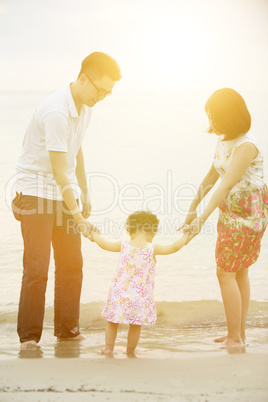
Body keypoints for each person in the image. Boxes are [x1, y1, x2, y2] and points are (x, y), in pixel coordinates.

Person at [12, 52, 121, 349]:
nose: (102, 96)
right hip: (35, 192)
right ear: (83, 78)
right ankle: (30, 338)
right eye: (100, 90)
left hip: (61, 190)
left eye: (108, 93)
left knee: (72, 263)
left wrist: (84, 190)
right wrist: (80, 217)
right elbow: (60, 173)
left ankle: (67, 330)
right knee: (37, 267)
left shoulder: (85, 106)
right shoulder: (56, 112)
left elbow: (76, 149)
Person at [180, 88, 268, 349]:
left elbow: (225, 185)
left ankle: (235, 338)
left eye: (214, 116)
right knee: (238, 271)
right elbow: (211, 177)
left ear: (228, 116)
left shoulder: (247, 146)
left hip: (248, 214)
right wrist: (192, 208)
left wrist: (201, 220)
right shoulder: (223, 141)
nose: (211, 122)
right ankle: (237, 334)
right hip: (230, 210)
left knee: (226, 272)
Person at [90, 210, 189, 357]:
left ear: (131, 229)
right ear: (150, 231)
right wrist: (188, 234)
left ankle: (108, 349)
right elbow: (174, 247)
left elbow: (103, 244)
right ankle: (131, 351)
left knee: (112, 322)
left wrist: (93, 233)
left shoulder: (123, 245)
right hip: (139, 297)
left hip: (119, 294)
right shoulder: (152, 249)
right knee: (135, 325)